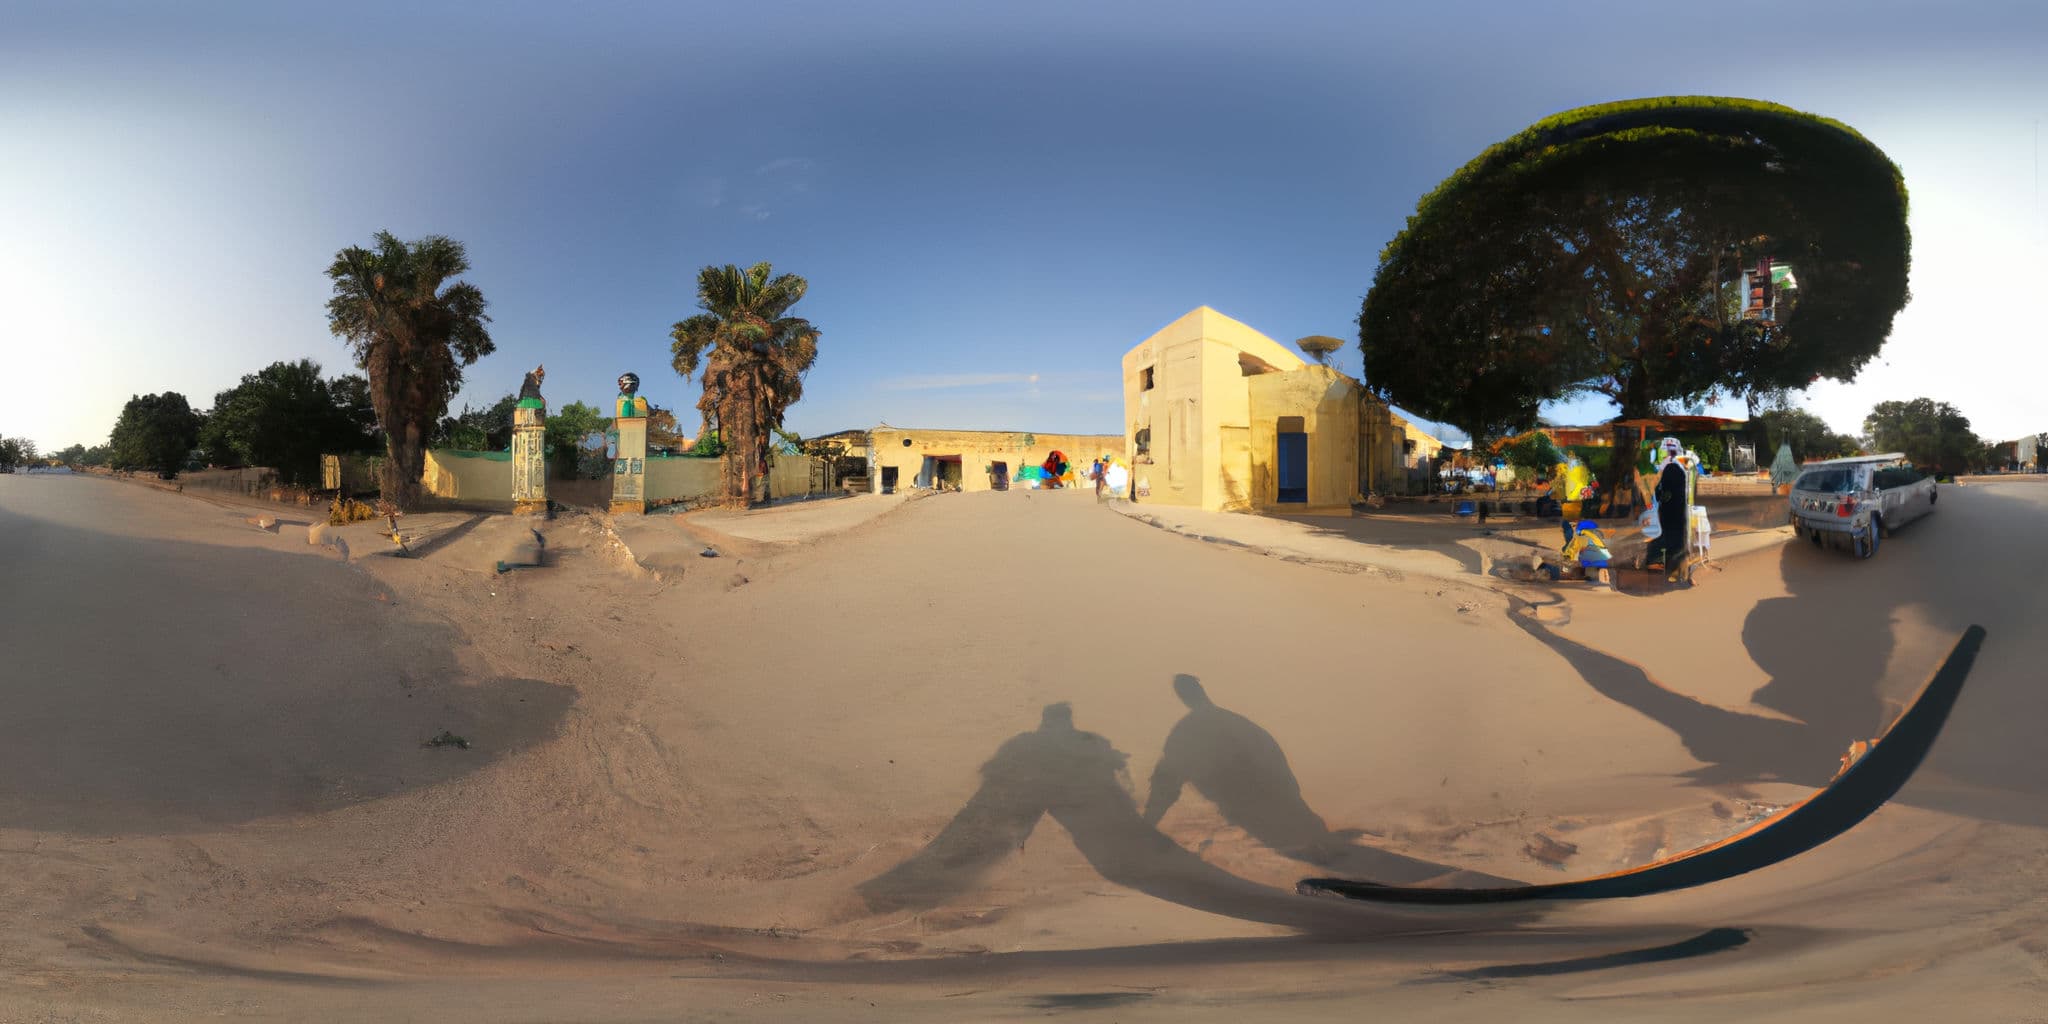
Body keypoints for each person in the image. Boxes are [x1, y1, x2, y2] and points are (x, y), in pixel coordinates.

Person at [1651, 436, 1689, 583]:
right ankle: (1678, 572)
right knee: (1676, 540)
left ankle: (1674, 572)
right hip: (1676, 510)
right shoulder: (1679, 465)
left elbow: (1661, 490)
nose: (1668, 453)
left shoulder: (1671, 466)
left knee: (1672, 541)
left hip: (1672, 510)